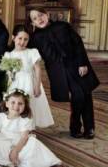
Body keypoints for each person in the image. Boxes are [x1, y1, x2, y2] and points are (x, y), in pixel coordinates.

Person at [29, 7, 99, 139]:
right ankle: (76, 125)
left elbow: (77, 43)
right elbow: (27, 51)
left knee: (85, 94)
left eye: (40, 15)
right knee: (78, 95)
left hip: (76, 65)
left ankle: (89, 127)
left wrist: (82, 63)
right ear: (33, 23)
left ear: (47, 14)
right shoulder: (35, 38)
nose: (39, 19)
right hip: (58, 71)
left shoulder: (63, 26)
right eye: (35, 18)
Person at [0, 89, 62, 167]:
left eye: (20, 103)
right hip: (4, 144)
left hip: (20, 144)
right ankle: (5, 163)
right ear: (6, 103)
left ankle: (47, 162)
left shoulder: (25, 120)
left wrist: (16, 150)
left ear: (25, 106)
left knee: (33, 143)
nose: (16, 106)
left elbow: (24, 138)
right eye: (13, 102)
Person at [3, 24, 54, 128]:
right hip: (15, 83)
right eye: (20, 38)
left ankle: (28, 129)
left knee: (29, 105)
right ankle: (16, 127)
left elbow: (38, 69)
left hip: (29, 82)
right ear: (13, 38)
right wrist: (10, 75)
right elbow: (7, 73)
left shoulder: (32, 52)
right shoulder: (8, 55)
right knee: (16, 105)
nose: (22, 42)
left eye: (25, 39)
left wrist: (37, 85)